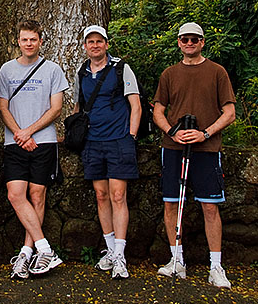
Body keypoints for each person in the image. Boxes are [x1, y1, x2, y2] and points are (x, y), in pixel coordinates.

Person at [153, 22, 236, 288]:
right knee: (171, 203)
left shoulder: (217, 72)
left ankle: (216, 266)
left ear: (202, 42)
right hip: (174, 148)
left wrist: (206, 133)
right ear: (178, 42)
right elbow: (158, 111)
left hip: (207, 149)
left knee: (209, 206)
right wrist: (171, 132)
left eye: (194, 39)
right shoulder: (169, 74)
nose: (189, 43)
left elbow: (229, 113)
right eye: (185, 39)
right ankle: (176, 260)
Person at [0, 19, 68, 279]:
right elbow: (2, 107)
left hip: (44, 140)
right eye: (24, 39)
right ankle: (45, 248)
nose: (29, 43)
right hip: (14, 141)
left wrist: (30, 131)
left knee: (37, 194)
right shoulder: (6, 70)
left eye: (33, 39)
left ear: (40, 41)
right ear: (18, 41)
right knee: (15, 194)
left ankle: (27, 253)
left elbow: (56, 108)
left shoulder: (52, 70)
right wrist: (19, 133)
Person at [73, 25, 141, 279]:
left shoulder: (121, 68)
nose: (95, 45)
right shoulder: (82, 72)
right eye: (90, 42)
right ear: (85, 46)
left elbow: (135, 104)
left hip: (118, 139)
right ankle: (110, 249)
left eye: (99, 41)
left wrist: (130, 136)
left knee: (118, 195)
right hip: (93, 141)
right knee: (101, 195)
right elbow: (80, 104)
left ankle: (120, 253)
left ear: (106, 44)